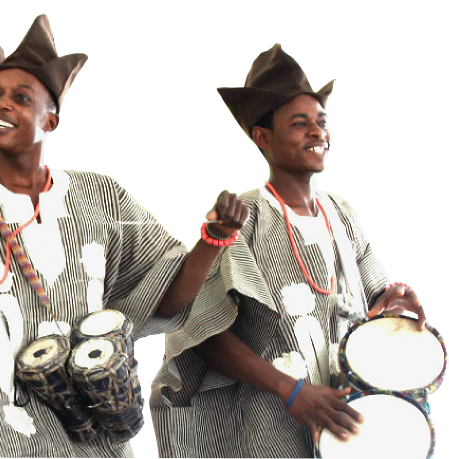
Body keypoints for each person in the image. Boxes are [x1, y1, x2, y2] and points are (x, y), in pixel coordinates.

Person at [0, 13, 249, 458]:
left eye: (20, 97)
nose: (1, 105)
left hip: (96, 440)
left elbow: (168, 300)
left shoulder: (103, 197)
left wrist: (212, 241)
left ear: (51, 120)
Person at [149, 43, 429, 459]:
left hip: (350, 421)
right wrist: (290, 389)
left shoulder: (343, 213)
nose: (318, 132)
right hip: (272, 424)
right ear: (262, 136)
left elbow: (371, 299)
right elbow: (200, 330)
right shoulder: (245, 219)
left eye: (321, 121)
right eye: (300, 124)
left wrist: (392, 302)